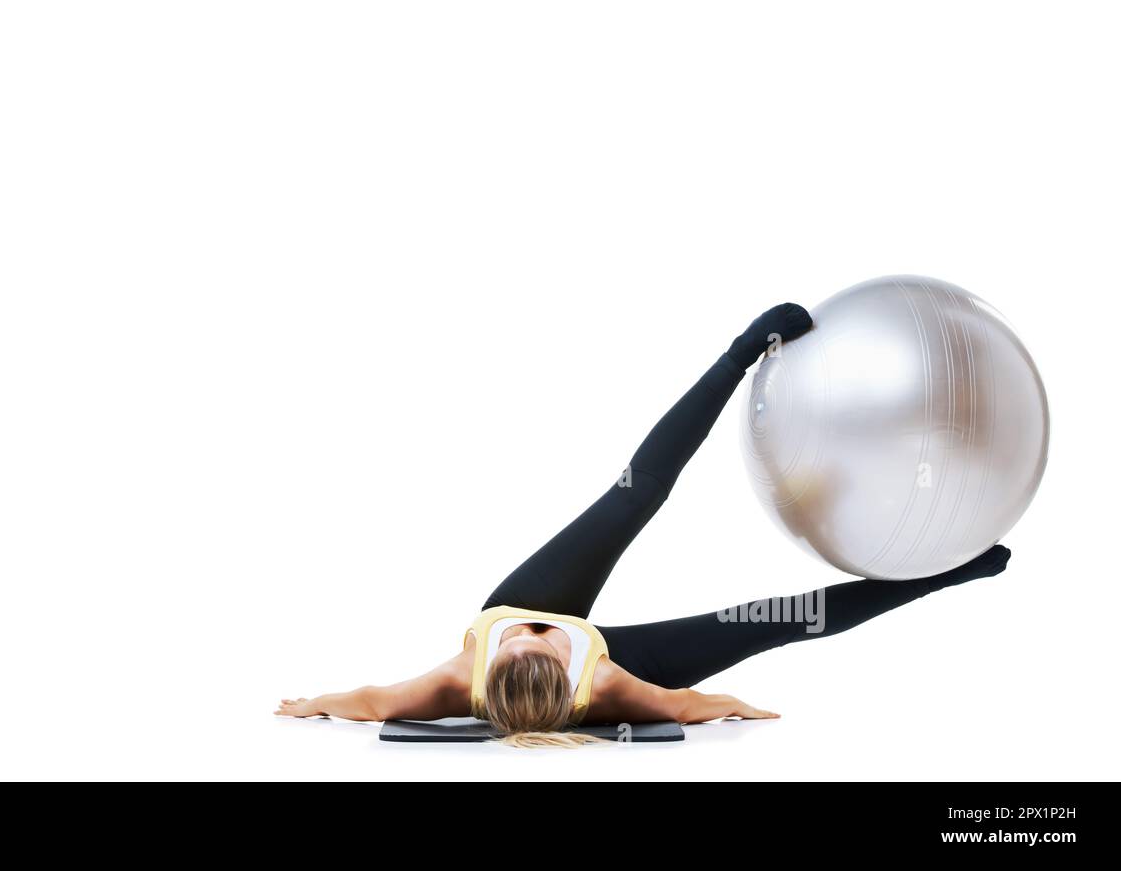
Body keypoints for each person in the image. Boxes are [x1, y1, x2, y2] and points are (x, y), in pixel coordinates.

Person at [274, 304, 1011, 747]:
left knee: (634, 495)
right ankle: (951, 571)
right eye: (549, 640)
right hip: (608, 671)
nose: (543, 631)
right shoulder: (615, 686)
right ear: (576, 680)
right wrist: (733, 707)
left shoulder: (458, 673)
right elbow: (692, 706)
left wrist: (313, 702)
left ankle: (738, 350)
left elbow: (367, 700)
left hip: (517, 590)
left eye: (534, 638)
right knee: (778, 620)